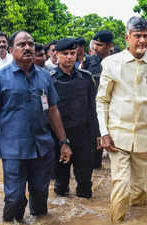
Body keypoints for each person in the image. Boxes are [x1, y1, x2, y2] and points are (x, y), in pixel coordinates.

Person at [0, 31, 72, 222]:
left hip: (43, 148)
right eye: (22, 44)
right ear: (11, 49)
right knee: (14, 198)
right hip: (13, 151)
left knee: (40, 197)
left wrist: (64, 142)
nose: (27, 47)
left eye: (30, 44)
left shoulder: (44, 77)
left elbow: (53, 111)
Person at [96, 16, 147, 223]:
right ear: (127, 37)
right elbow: (102, 101)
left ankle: (139, 218)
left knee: (139, 189)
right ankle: (117, 220)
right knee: (120, 183)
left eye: (145, 36)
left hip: (146, 137)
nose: (143, 41)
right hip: (118, 136)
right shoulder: (110, 63)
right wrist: (105, 133)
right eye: (137, 36)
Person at [50, 38, 97, 198]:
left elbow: (93, 108)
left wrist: (97, 135)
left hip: (83, 136)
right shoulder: (49, 80)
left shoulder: (86, 78)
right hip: (59, 137)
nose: (69, 57)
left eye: (72, 53)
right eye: (65, 54)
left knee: (85, 181)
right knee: (61, 183)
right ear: (56, 55)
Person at [85, 30, 114, 169]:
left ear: (109, 46)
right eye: (95, 44)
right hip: (94, 108)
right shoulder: (88, 62)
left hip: (114, 108)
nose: (95, 48)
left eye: (100, 45)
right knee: (94, 150)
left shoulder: (118, 62)